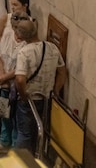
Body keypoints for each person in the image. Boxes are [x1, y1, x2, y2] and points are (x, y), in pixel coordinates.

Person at [0, 0, 31, 154]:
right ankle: (4, 141)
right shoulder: (8, 32)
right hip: (3, 80)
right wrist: (1, 74)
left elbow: (22, 64)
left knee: (16, 117)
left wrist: (5, 77)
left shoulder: (28, 37)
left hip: (15, 83)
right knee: (3, 112)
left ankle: (14, 145)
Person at [13, 17, 66, 153]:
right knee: (39, 132)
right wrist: (55, 90)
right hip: (47, 98)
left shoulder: (24, 52)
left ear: (20, 35)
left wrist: (24, 94)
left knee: (24, 133)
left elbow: (19, 79)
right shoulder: (52, 47)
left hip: (29, 100)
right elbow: (62, 71)